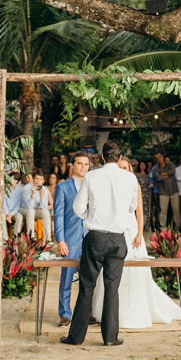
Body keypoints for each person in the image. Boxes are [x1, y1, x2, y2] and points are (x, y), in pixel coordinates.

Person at [90, 155, 181, 329]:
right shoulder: (112, 184)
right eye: (120, 167)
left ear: (130, 169)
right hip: (113, 228)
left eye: (125, 168)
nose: (123, 170)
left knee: (134, 267)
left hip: (130, 229)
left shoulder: (133, 184)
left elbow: (140, 212)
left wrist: (139, 234)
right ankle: (107, 311)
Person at [62, 140, 138, 347]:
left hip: (95, 237)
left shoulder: (91, 176)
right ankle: (111, 338)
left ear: (102, 157)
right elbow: (132, 207)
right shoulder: (130, 178)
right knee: (112, 289)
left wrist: (92, 214)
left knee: (87, 287)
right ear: (120, 157)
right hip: (117, 238)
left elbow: (78, 209)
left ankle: (76, 337)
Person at [54, 151, 90, 327]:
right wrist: (60, 240)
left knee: (88, 278)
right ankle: (65, 314)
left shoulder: (93, 186)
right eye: (79, 163)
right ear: (72, 165)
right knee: (67, 277)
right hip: (70, 239)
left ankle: (86, 313)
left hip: (91, 238)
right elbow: (58, 215)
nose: (83, 166)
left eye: (86, 164)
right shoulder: (63, 187)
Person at [20, 172, 52, 241]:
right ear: (33, 179)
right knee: (31, 212)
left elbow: (44, 207)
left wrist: (41, 196)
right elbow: (29, 207)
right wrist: (33, 194)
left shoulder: (44, 189)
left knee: (46, 213)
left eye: (40, 179)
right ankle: (31, 238)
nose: (38, 181)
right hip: (24, 209)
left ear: (43, 181)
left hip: (35, 210)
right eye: (37, 178)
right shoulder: (27, 188)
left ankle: (47, 238)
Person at [153, 154, 179, 229]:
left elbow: (173, 171)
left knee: (176, 210)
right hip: (163, 192)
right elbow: (158, 178)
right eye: (157, 158)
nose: (158, 159)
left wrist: (163, 174)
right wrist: (168, 174)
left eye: (160, 157)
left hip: (174, 191)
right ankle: (162, 227)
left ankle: (177, 226)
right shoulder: (156, 168)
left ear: (163, 157)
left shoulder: (170, 164)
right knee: (163, 211)